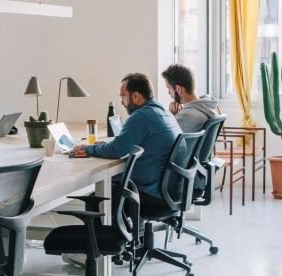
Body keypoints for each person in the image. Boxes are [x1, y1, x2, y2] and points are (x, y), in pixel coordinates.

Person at [72, 72, 182, 201]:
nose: (122, 102)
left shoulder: (142, 116)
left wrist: (88, 149)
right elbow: (121, 146)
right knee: (113, 182)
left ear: (135, 96)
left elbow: (116, 150)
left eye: (123, 96)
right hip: (170, 190)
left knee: (97, 199)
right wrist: (104, 146)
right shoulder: (163, 111)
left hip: (150, 194)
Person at [160, 63, 221, 133]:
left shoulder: (186, 116)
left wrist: (170, 116)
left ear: (178, 89)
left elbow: (165, 137)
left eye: (169, 88)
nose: (168, 92)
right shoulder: (207, 107)